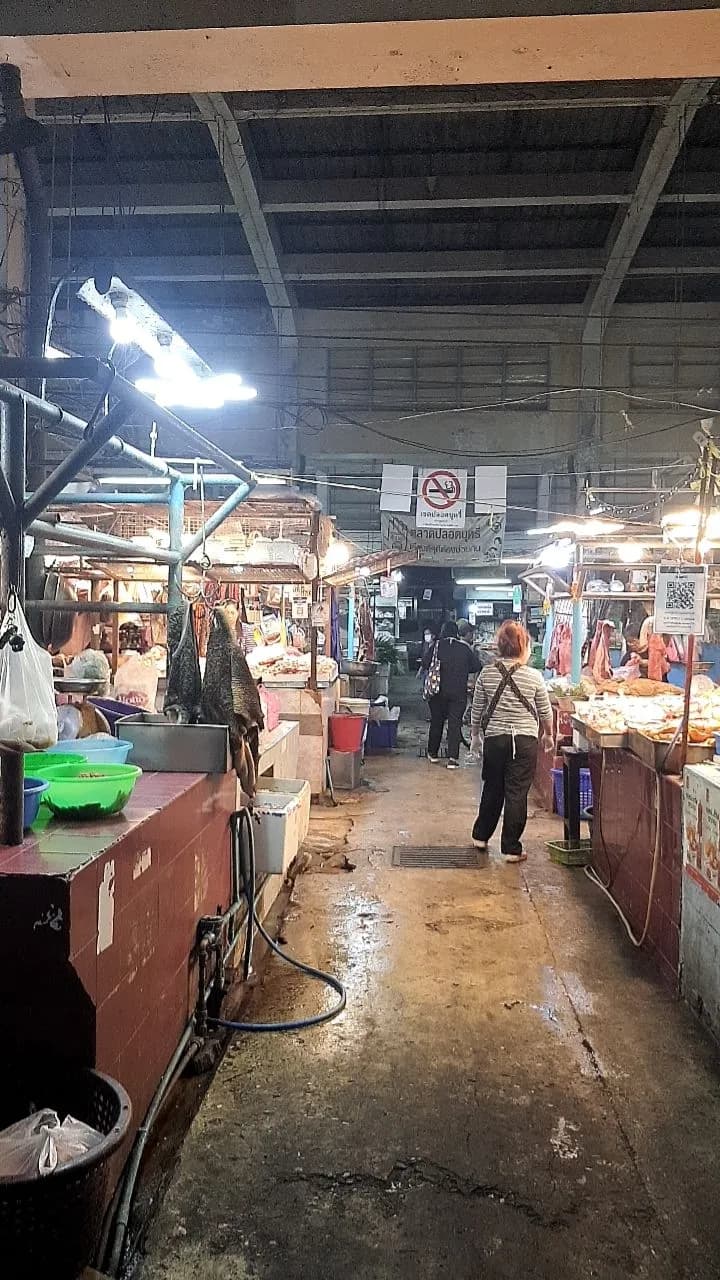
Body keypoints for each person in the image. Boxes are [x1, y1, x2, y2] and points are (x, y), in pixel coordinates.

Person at [470, 620, 553, 862]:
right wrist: (548, 734)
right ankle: (510, 848)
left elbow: (477, 709)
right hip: (524, 741)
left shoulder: (487, 673)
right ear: (523, 646)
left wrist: (475, 736)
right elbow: (545, 711)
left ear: (499, 646)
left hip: (495, 739)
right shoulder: (534, 676)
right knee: (516, 793)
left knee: (492, 788)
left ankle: (481, 836)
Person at [422, 619, 479, 769]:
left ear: (442, 632)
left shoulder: (436, 646)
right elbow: (476, 666)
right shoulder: (464, 648)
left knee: (437, 721)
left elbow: (425, 663)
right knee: (455, 724)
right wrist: (462, 669)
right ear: (457, 633)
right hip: (458, 693)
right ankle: (453, 759)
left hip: (438, 692)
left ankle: (433, 754)